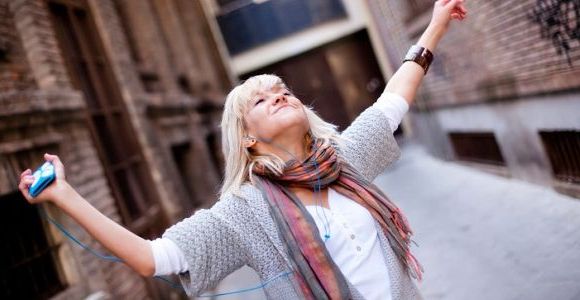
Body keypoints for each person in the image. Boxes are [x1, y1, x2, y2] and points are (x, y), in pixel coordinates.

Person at [18, 1, 467, 299]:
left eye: (283, 90)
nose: (279, 95)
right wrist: (64, 195)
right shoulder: (244, 211)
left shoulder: (344, 160)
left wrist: (436, 25)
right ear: (246, 137)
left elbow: (392, 101)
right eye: (260, 98)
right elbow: (151, 258)